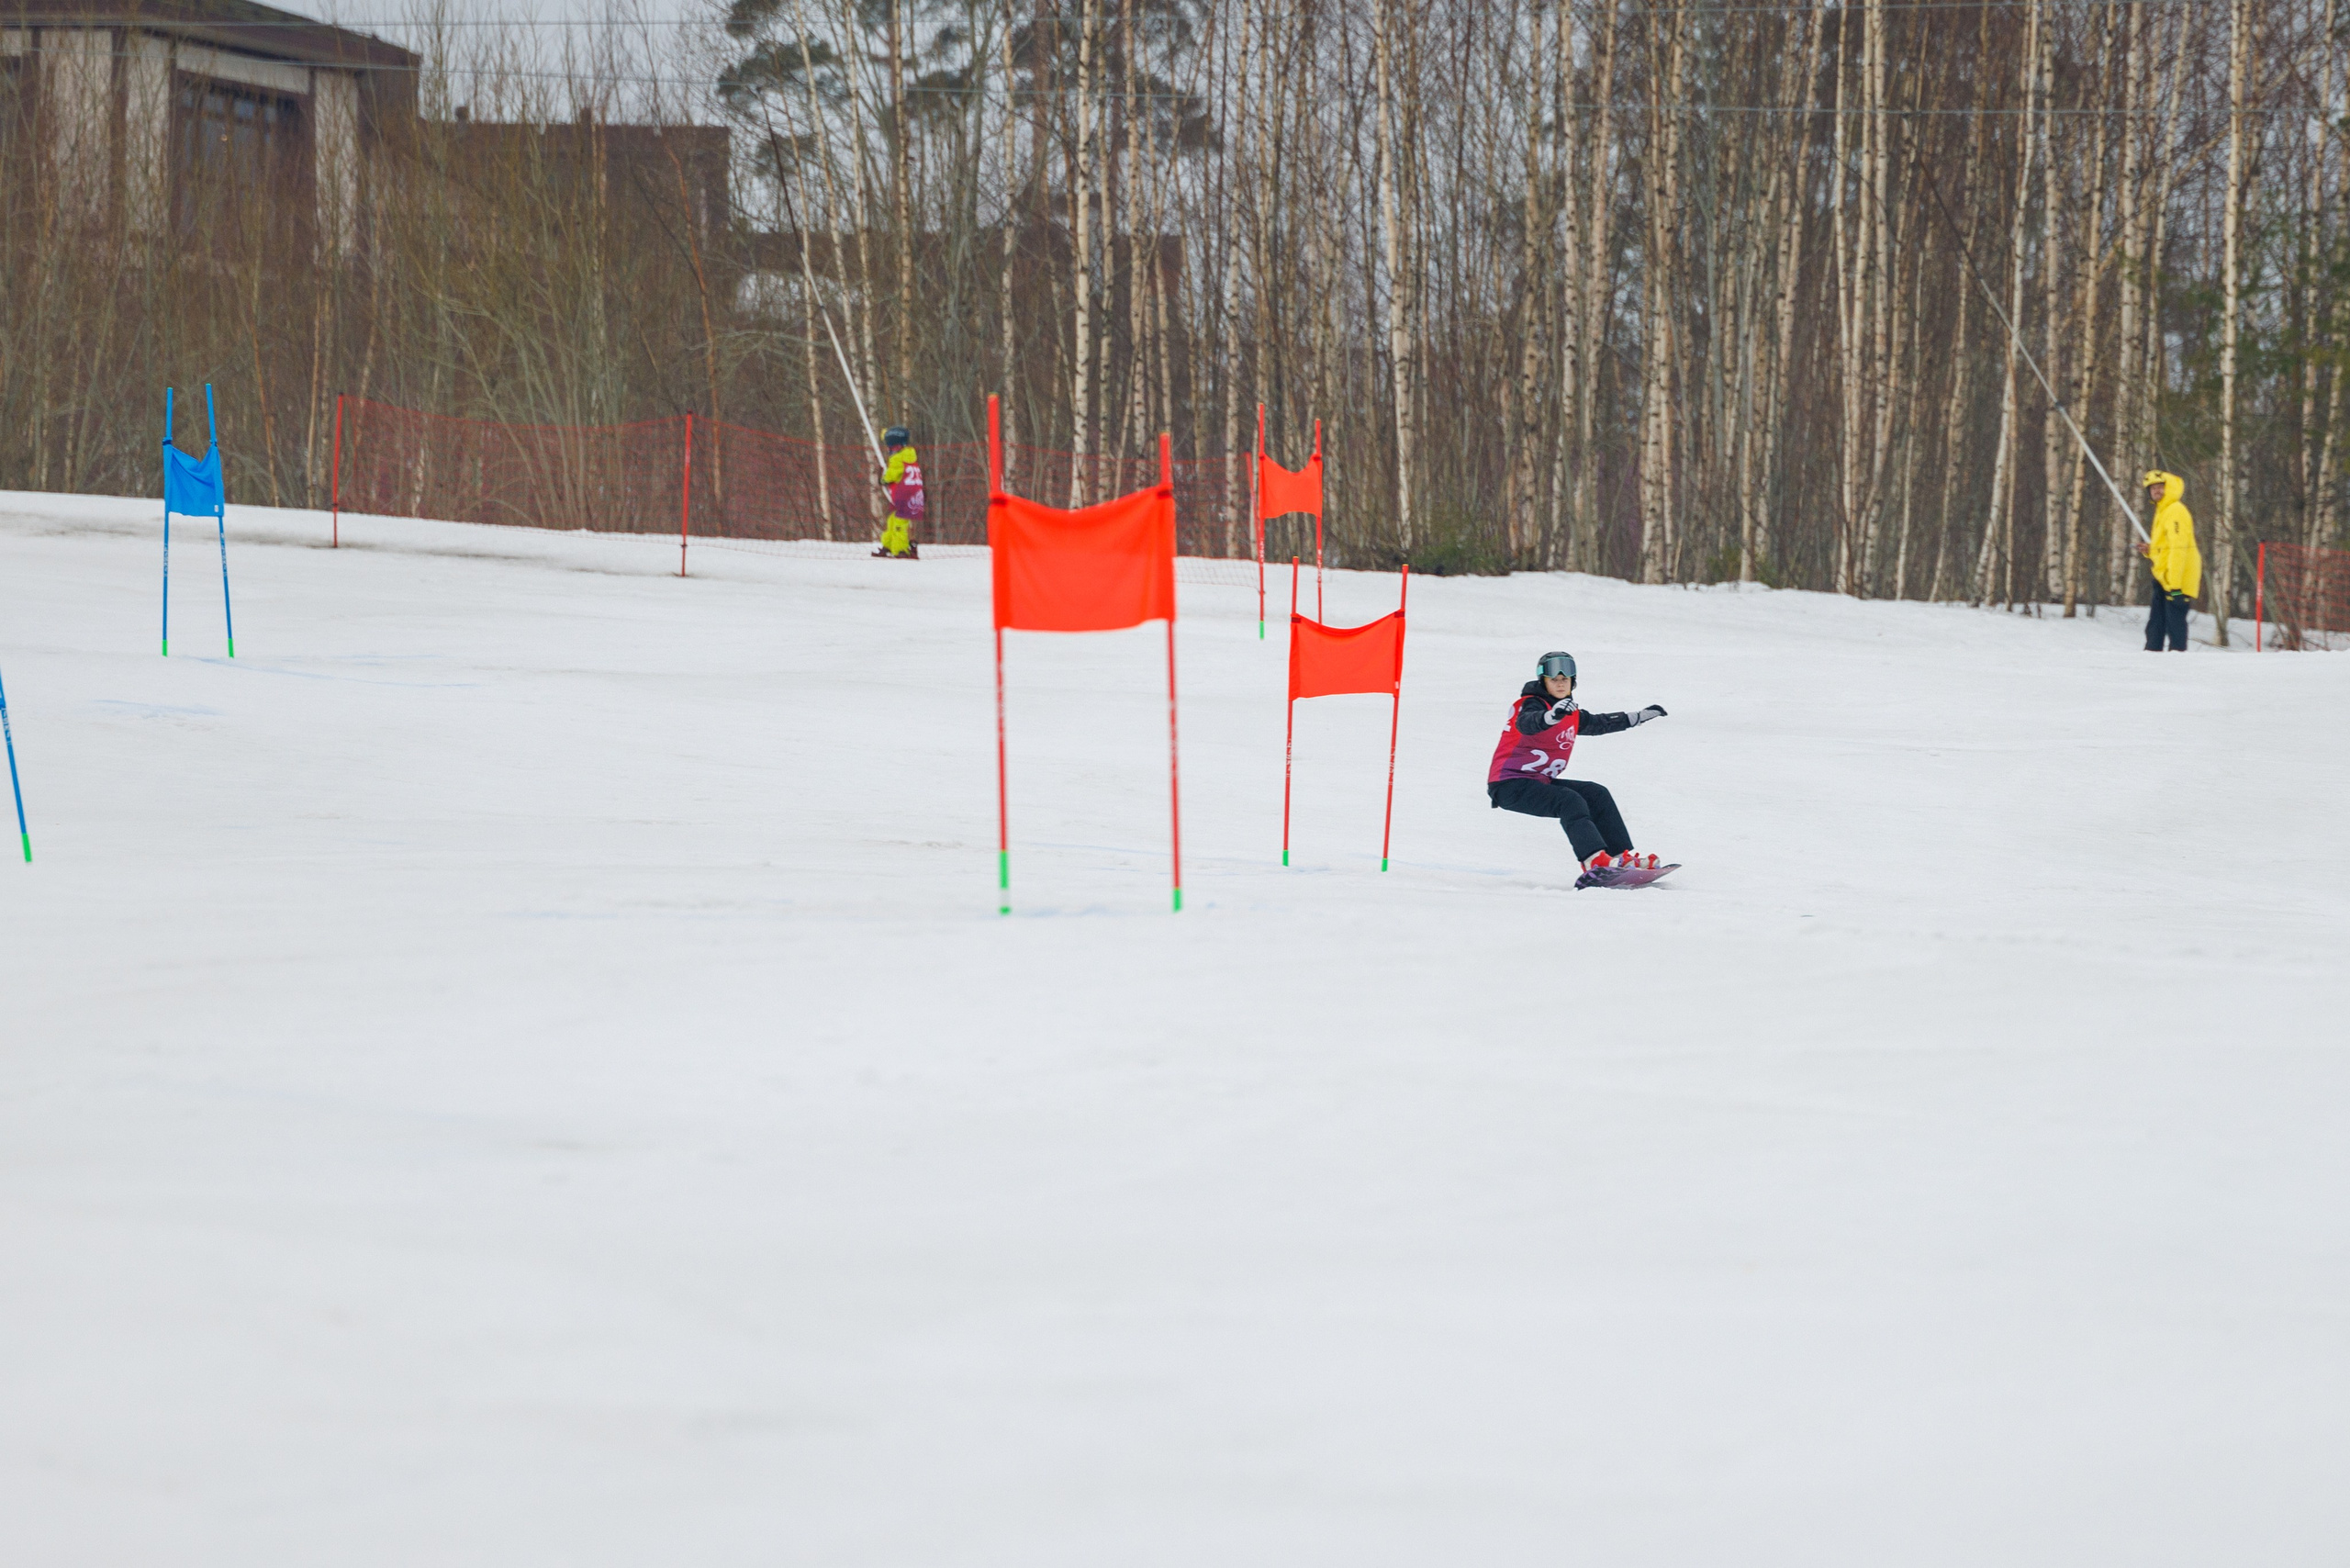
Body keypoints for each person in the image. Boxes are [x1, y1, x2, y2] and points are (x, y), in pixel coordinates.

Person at [1487, 651, 1672, 889]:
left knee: (1596, 793)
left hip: (1536, 782)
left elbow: (1598, 723)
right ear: (1543, 681)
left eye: (1566, 678)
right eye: (1554, 678)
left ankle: (1618, 858)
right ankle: (1594, 860)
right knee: (1569, 800)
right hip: (1509, 785)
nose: (1561, 682)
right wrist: (1550, 716)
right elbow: (1527, 722)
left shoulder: (1569, 712)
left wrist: (1637, 717)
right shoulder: (1531, 705)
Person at [2136, 470, 2199, 652]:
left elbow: (2179, 550)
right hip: (2163, 578)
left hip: (2176, 581)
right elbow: (2165, 548)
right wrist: (2150, 551)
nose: (2157, 491)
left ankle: (2177, 666)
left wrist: (2175, 587)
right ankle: (2151, 659)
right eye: (2153, 488)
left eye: (2160, 487)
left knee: (2175, 627)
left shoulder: (2175, 511)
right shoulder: (2162, 511)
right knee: (2155, 625)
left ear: (2168, 488)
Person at [873, 426, 924, 560]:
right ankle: (888, 545)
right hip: (912, 495)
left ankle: (901, 549)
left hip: (904, 496)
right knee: (893, 520)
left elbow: (892, 475)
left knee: (899, 524)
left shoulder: (897, 459)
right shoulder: (910, 457)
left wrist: (884, 479)